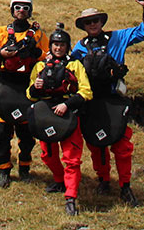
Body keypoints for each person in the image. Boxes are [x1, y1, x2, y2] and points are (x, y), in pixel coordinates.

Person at [70, 0, 144, 206]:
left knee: (122, 144)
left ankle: (125, 187)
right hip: (92, 100)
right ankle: (103, 180)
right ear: (83, 26)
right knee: (96, 144)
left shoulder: (118, 37)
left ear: (101, 21)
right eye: (88, 22)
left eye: (95, 20)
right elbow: (71, 70)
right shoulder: (79, 48)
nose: (92, 24)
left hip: (115, 100)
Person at [0, 0, 48, 188]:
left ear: (30, 11)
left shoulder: (37, 35)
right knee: (2, 134)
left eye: (25, 8)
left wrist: (35, 54)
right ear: (12, 9)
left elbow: (49, 57)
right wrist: (1, 54)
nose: (21, 11)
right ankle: (4, 170)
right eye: (17, 7)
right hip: (5, 86)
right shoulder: (1, 33)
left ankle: (25, 167)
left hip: (27, 88)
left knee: (26, 134)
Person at [28, 23, 93, 216]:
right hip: (46, 113)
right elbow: (30, 94)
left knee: (71, 159)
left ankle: (71, 196)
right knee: (47, 155)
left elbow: (86, 91)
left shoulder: (75, 65)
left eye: (62, 44)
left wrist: (68, 105)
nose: (58, 48)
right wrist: (36, 87)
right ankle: (59, 180)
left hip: (68, 113)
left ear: (67, 46)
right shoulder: (40, 66)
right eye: (55, 44)